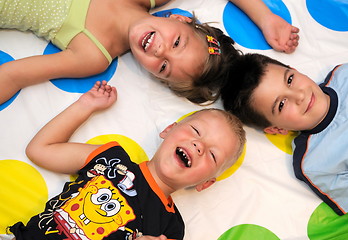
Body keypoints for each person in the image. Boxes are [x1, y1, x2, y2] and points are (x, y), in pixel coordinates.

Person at [8, 80, 245, 239]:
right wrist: (85, 105)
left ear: (205, 183)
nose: (199, 146)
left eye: (213, 155)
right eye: (195, 131)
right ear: (169, 129)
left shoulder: (170, 228)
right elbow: (40, 149)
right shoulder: (111, 158)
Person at [0, 0, 299, 105]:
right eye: (177, 43)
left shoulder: (93, 54)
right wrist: (266, 18)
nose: (159, 51)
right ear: (180, 19)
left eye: (164, 67)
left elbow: (12, 75)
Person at [221, 53, 348, 216]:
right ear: (277, 129)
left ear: (295, 70)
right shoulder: (313, 163)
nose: (299, 95)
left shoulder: (347, 74)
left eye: (290, 80)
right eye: (281, 104)